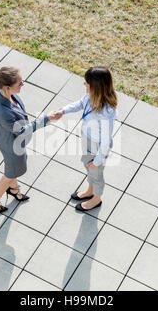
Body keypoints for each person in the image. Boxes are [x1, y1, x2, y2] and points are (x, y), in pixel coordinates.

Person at [0, 65, 61, 214]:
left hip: (10, 140)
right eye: (19, 83)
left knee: (12, 170)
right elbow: (21, 130)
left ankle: (13, 189)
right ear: (7, 87)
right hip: (12, 145)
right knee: (10, 174)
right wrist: (47, 119)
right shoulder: (3, 112)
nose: (23, 84)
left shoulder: (1, 92)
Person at [55, 66, 118, 211]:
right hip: (88, 139)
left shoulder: (106, 112)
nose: (84, 84)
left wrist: (97, 161)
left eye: (87, 83)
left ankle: (96, 199)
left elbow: (106, 141)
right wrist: (63, 110)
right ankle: (90, 191)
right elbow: (79, 104)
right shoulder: (90, 97)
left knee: (96, 172)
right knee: (88, 167)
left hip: (97, 147)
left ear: (96, 87)